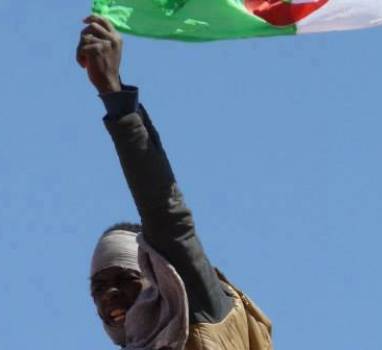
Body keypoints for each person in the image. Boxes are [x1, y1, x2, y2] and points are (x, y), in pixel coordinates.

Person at [76, 15, 273, 350]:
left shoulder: (197, 306)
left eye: (126, 279)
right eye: (99, 286)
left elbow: (164, 212)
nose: (110, 294)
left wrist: (114, 96)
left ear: (157, 277)